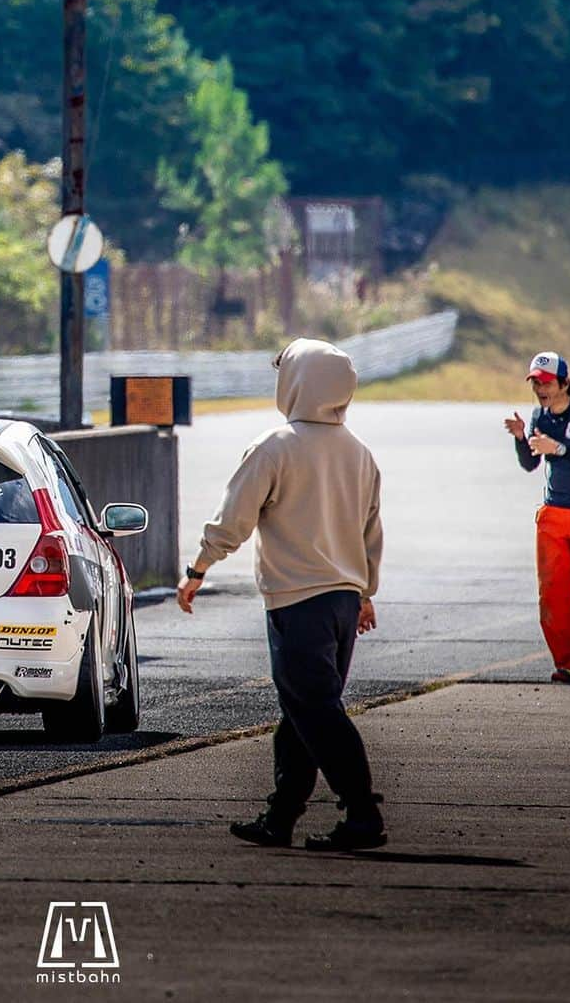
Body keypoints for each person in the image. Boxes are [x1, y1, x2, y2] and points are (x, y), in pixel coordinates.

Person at [177, 337, 384, 852]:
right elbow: (370, 532)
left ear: (296, 383)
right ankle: (282, 816)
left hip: (297, 601)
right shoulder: (360, 453)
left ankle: (363, 814)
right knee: (300, 712)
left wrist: (199, 567)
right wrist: (364, 593)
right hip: (342, 602)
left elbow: (234, 519)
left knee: (314, 710)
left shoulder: (276, 445)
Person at [504, 351, 570, 687]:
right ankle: (567, 662)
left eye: (547, 382)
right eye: (536, 382)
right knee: (553, 591)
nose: (540, 389)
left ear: (564, 382)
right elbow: (530, 463)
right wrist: (523, 438)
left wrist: (560, 448)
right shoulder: (540, 415)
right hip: (554, 512)